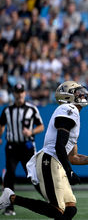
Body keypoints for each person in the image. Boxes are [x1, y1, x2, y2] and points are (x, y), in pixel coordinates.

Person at [0, 81, 88, 219]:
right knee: (56, 210)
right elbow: (59, 146)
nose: (82, 95)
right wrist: (70, 172)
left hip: (57, 163)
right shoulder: (68, 109)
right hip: (49, 160)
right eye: (77, 92)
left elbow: (73, 157)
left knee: (70, 209)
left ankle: (12, 198)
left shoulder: (73, 113)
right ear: (68, 96)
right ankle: (12, 198)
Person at [0, 83, 44, 216]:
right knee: (10, 175)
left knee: (34, 176)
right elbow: (1, 125)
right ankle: (9, 207)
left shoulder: (32, 109)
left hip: (27, 146)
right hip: (12, 146)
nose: (19, 95)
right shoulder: (7, 110)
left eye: (21, 92)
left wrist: (31, 132)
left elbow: (41, 126)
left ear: (24, 93)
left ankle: (50, 200)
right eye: (17, 92)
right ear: (13, 94)